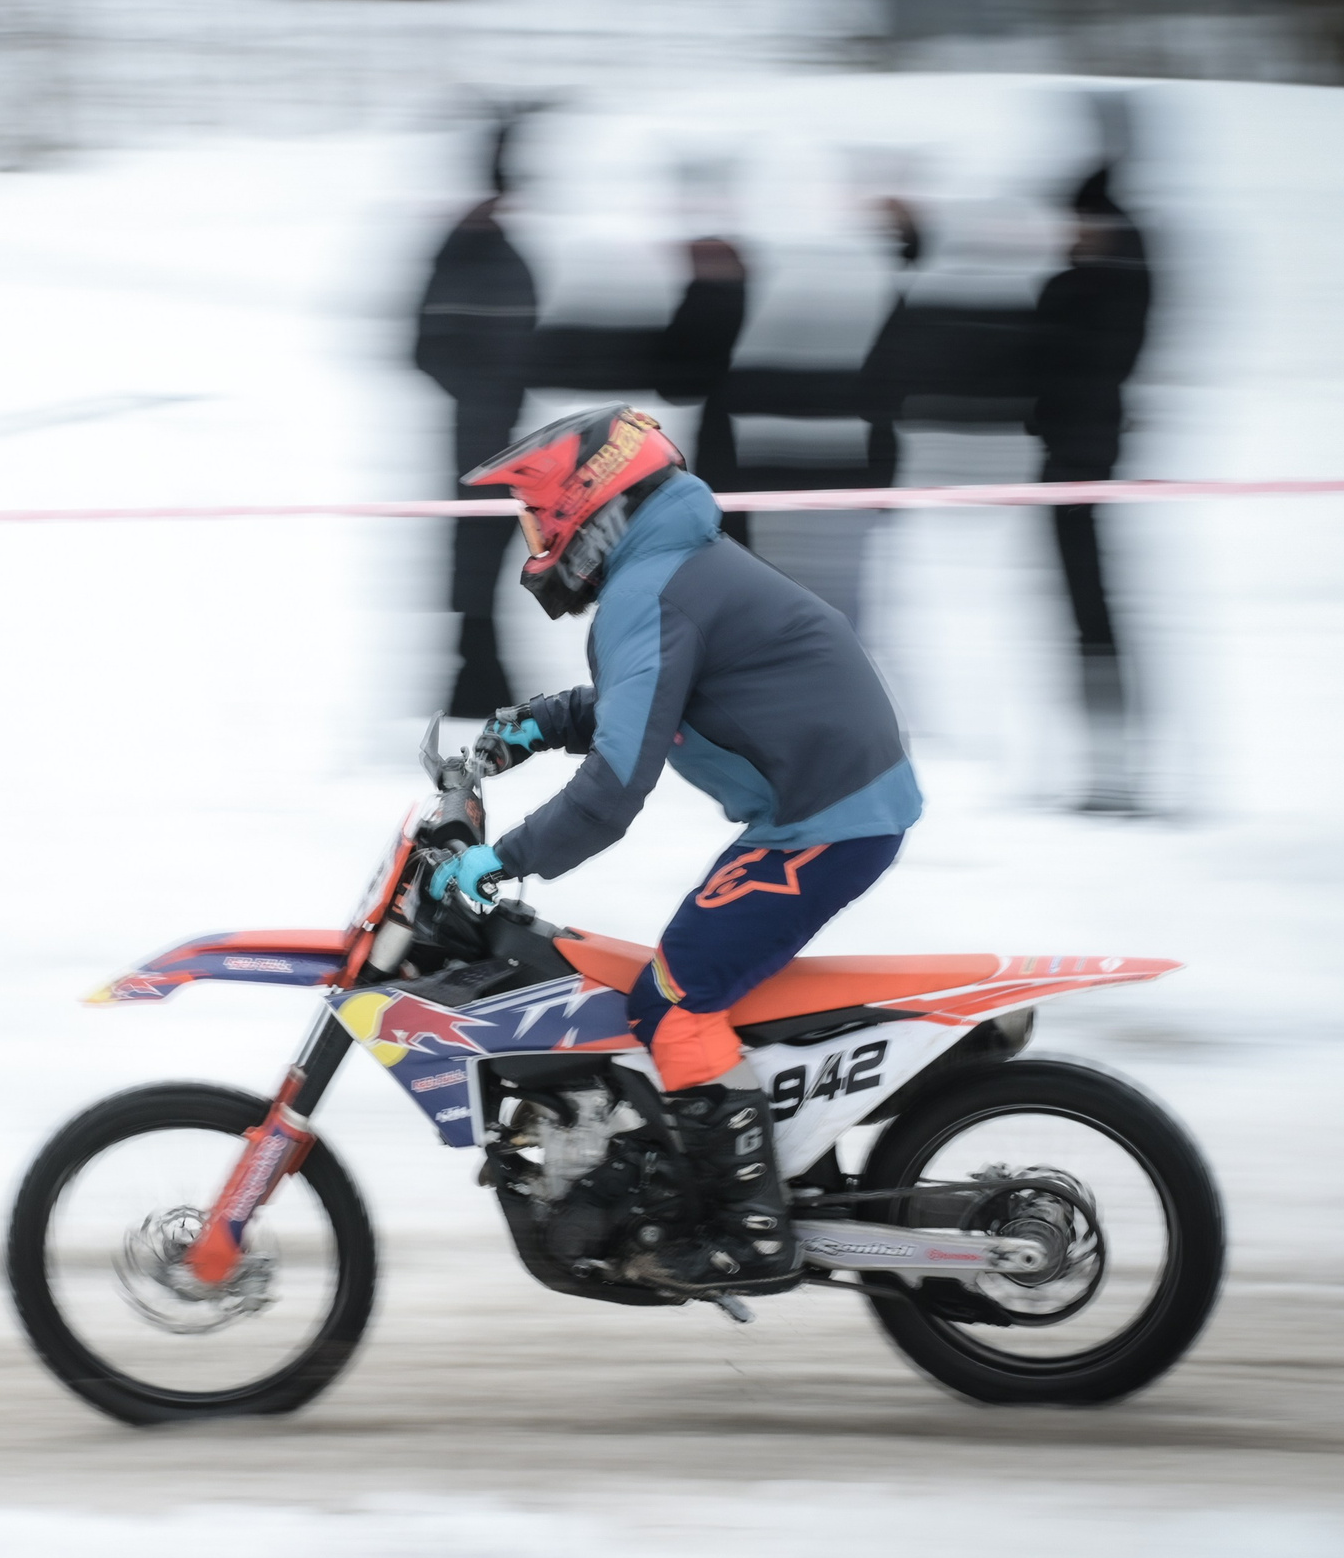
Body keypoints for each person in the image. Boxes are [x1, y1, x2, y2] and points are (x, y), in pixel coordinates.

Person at [432, 403, 923, 1295]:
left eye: (539, 518)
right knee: (677, 986)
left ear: (591, 502)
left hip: (827, 821)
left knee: (670, 1002)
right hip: (824, 809)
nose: (534, 539)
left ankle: (753, 1232)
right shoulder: (666, 570)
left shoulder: (650, 589)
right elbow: (643, 698)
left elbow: (615, 790)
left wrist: (501, 859)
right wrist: (537, 725)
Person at [1032, 164, 1151, 813]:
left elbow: (1048, 363)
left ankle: (1112, 772)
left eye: (1075, 223)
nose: (1065, 234)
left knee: (1092, 614)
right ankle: (1107, 768)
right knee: (1088, 613)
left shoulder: (1094, 289)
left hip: (1080, 464)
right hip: (1079, 459)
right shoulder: (1111, 286)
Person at [413, 113, 539, 718]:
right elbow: (424, 343)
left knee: (490, 549)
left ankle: (480, 677)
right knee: (473, 549)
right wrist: (482, 392)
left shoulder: (495, 252)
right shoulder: (464, 253)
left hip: (504, 430)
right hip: (477, 429)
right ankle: (476, 679)